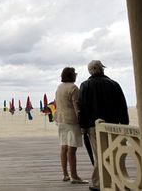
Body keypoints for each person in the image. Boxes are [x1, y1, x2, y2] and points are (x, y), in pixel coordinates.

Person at [78, 60, 129, 191]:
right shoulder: (114, 84)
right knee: (114, 153)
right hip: (114, 126)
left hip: (93, 127)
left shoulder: (85, 85)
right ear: (102, 69)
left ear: (90, 71)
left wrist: (83, 126)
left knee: (99, 154)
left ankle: (97, 183)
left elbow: (82, 108)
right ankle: (115, 180)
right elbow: (122, 106)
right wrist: (124, 125)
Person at [55, 67, 88, 184]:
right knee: (72, 149)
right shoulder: (73, 88)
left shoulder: (59, 87)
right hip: (72, 121)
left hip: (61, 120)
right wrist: (82, 123)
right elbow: (77, 107)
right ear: (71, 75)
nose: (76, 75)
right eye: (75, 73)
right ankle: (74, 176)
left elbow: (57, 104)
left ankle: (65, 174)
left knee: (64, 147)